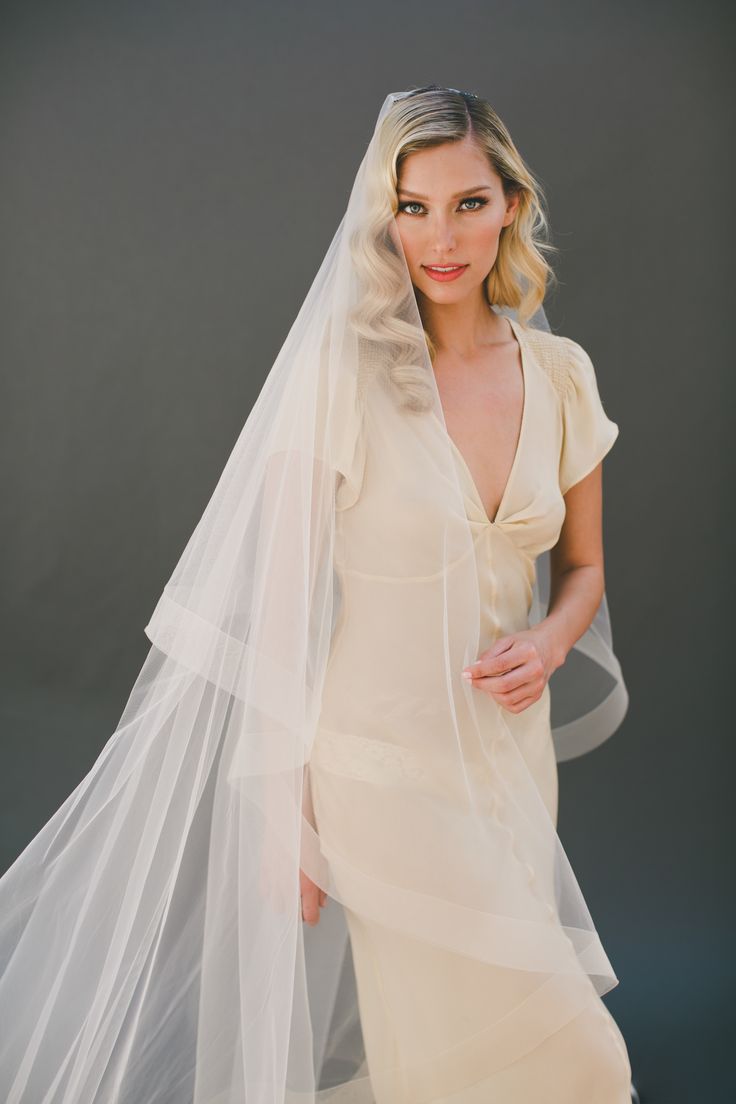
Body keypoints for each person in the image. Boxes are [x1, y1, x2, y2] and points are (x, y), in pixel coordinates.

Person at [0, 86, 633, 1103]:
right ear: (381, 216)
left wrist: (553, 644)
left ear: (510, 204)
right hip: (372, 770)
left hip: (506, 766)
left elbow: (586, 571)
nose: (440, 235)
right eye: (412, 205)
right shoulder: (344, 374)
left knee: (448, 1057)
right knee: (583, 1066)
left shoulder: (561, 375)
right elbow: (281, 609)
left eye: (467, 203)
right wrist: (284, 816)